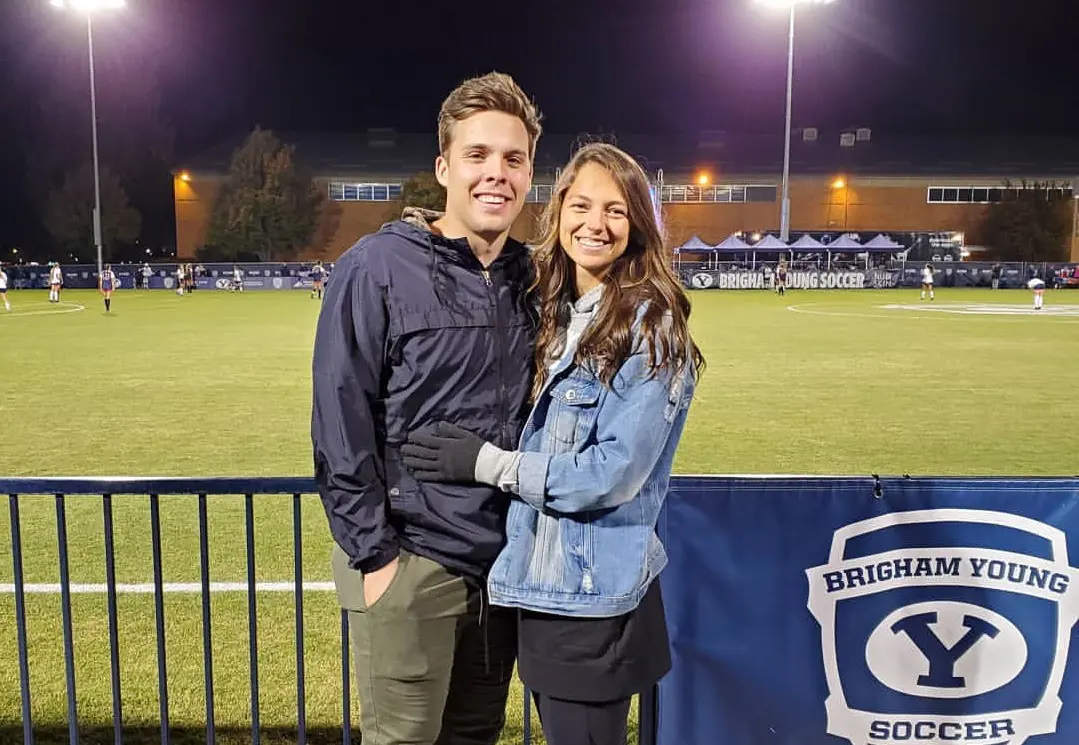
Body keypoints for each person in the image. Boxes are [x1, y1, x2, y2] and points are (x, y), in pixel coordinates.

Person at [402, 142, 704, 745]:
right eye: (582, 206)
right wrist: (420, 232)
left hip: (591, 599)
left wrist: (486, 464)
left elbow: (612, 472)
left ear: (638, 225)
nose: (596, 224)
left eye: (616, 211)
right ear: (559, 212)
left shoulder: (649, 323)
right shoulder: (560, 309)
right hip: (544, 589)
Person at [311, 71, 543, 745]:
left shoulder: (532, 277)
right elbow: (339, 418)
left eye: (513, 158)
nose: (495, 173)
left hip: (501, 571)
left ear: (530, 173)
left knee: (474, 735)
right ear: (443, 166)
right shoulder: (376, 267)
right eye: (477, 155)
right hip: (414, 565)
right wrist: (379, 558)